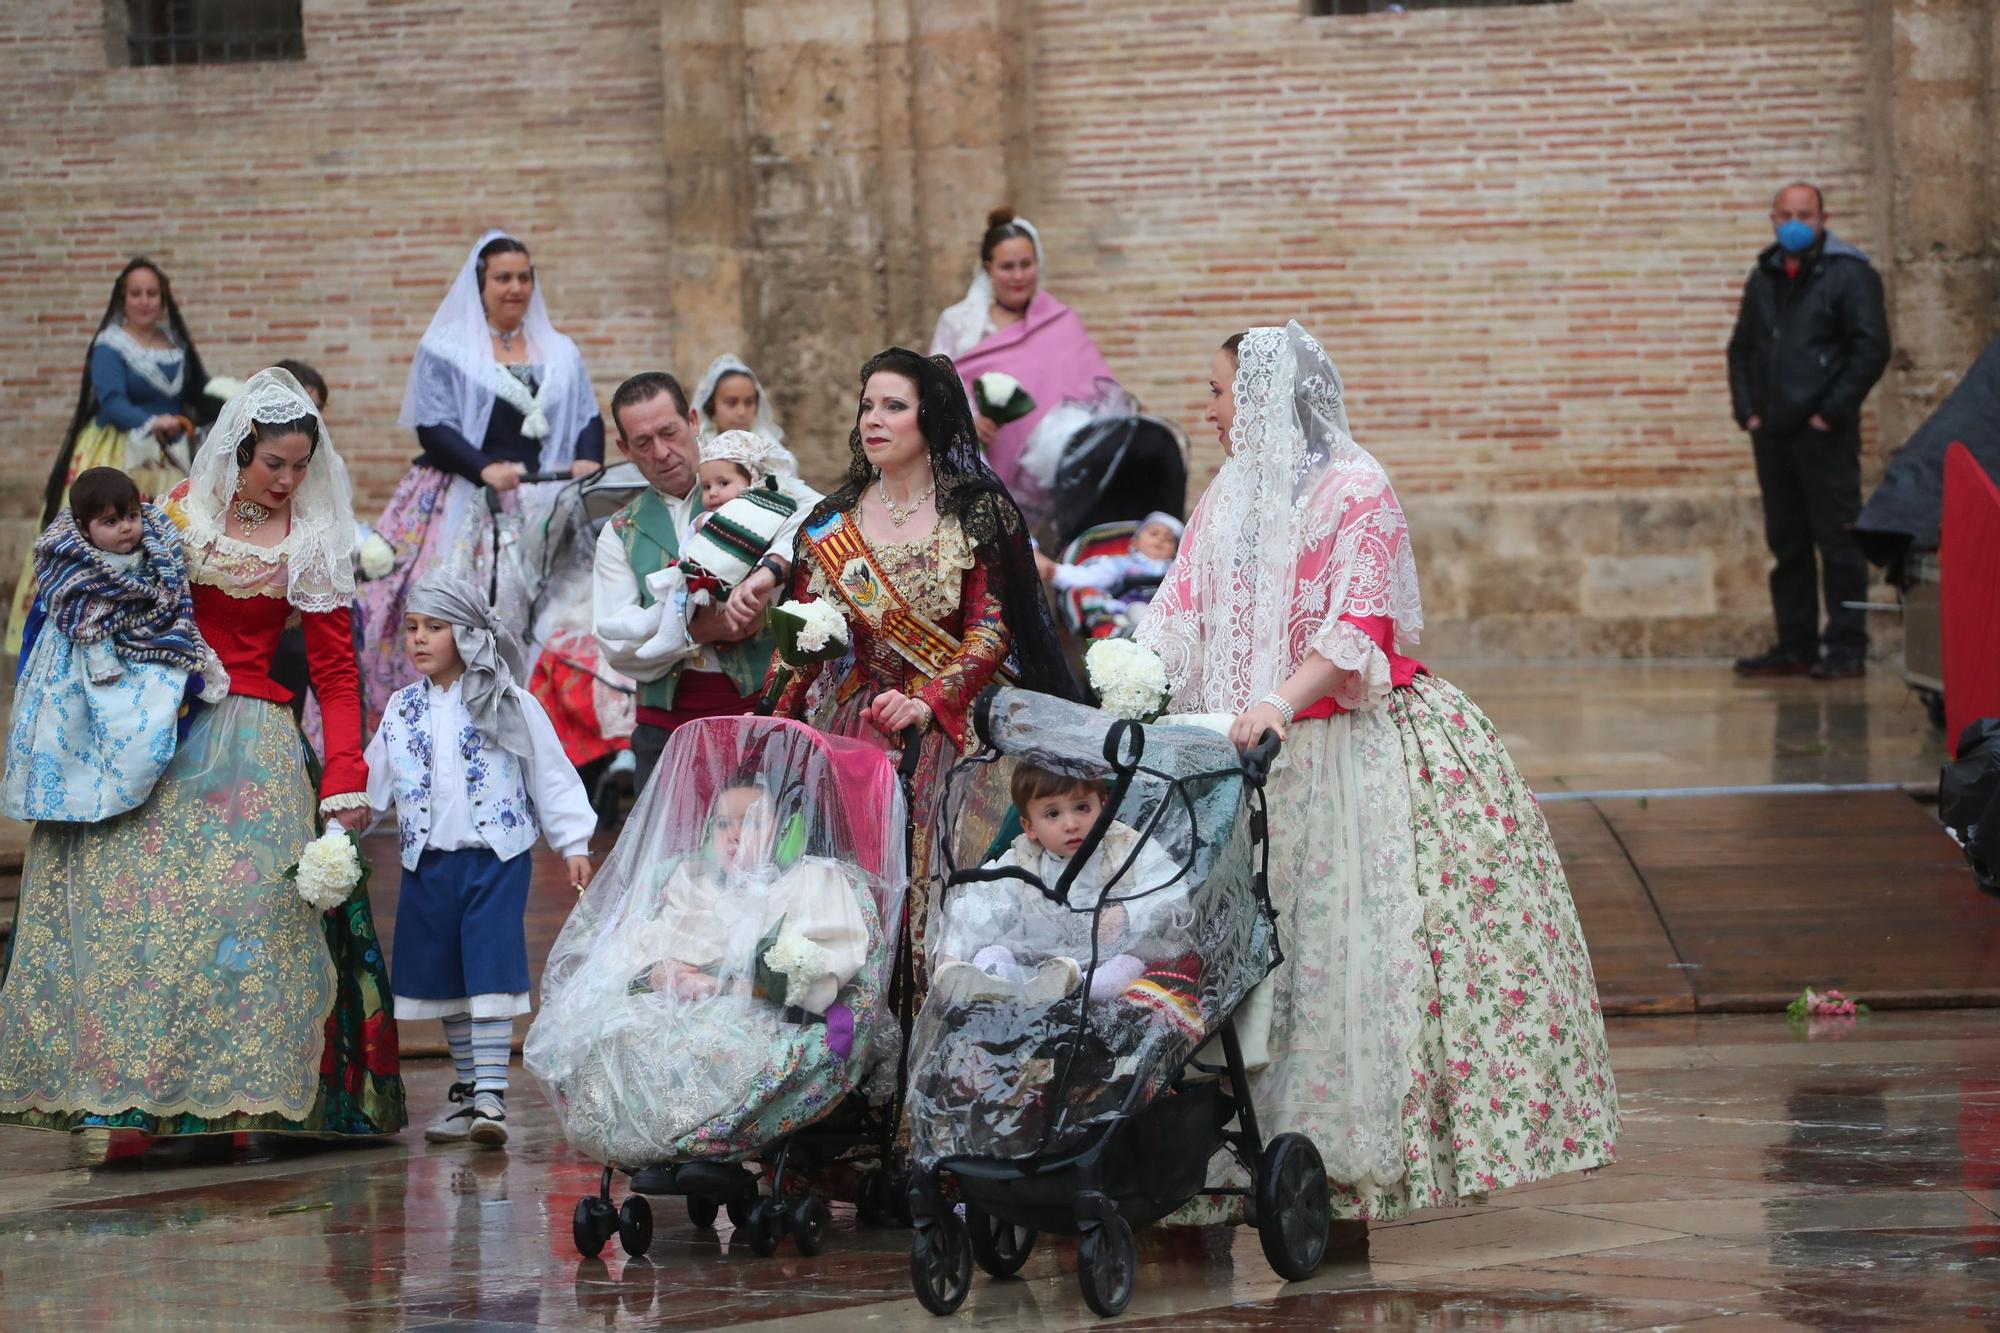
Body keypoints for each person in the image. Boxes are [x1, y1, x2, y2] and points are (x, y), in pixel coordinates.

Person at [1138, 323, 1618, 1237]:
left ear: (1269, 397)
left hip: (1333, 751)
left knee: (1331, 959)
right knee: (1228, 965)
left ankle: (1337, 1176)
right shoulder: (1229, 493)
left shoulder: (1357, 489)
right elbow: (1181, 608)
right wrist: (1133, 674)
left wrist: (1278, 701)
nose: (1206, 409)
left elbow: (1356, 623)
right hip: (1229, 760)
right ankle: (1207, 1162)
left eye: (1219, 391)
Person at [0, 368, 406, 1142]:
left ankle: (239, 1100)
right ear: (240, 450)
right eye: (272, 464)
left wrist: (345, 775)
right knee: (142, 917)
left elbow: (336, 675)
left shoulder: (315, 544)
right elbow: (104, 586)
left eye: (299, 466)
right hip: (163, 728)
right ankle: (130, 1106)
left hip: (253, 742)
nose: (287, 481)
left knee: (244, 917)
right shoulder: (179, 517)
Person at [769, 347, 1079, 996]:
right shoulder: (832, 523)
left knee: (955, 896)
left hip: (959, 724)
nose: (873, 421)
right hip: (863, 726)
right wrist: (772, 718)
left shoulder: (974, 511)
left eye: (893, 407)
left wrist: (929, 700)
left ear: (930, 417)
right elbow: (802, 635)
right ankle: (860, 1048)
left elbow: (992, 626)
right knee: (855, 894)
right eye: (866, 406)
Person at [364, 573, 596, 1149]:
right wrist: (339, 829)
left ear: (467, 633)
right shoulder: (401, 709)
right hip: (427, 863)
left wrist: (573, 843)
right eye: (412, 628)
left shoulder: (509, 700)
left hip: (496, 858)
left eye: (434, 628)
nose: (418, 639)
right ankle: (469, 1095)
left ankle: (491, 1095)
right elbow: (372, 783)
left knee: (489, 967)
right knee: (446, 976)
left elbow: (551, 774)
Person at [357, 231, 606, 729]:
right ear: (480, 283)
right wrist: (483, 467)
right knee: (469, 614)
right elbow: (432, 422)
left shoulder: (559, 350)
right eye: (503, 278)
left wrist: (587, 459)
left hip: (546, 502)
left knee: (555, 615)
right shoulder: (447, 348)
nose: (515, 287)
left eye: (523, 277)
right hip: (471, 499)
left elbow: (587, 415)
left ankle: (544, 720)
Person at [594, 375, 802, 795]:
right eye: (643, 442)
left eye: (669, 433)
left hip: (760, 712)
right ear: (624, 450)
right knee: (669, 859)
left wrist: (767, 575)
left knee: (766, 854)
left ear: (692, 421)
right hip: (666, 730)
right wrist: (695, 631)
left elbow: (813, 515)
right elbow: (616, 643)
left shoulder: (746, 483)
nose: (662, 452)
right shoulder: (619, 532)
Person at [7, 258, 218, 655]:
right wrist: (156, 421)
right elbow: (112, 401)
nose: (144, 301)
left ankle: (159, 623)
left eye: (151, 293)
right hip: (117, 453)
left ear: (163, 298)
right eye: (135, 293)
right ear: (123, 299)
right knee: (104, 533)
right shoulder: (110, 345)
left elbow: (197, 395)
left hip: (168, 455)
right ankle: (82, 622)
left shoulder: (176, 346)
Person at [1727, 182, 1892, 680]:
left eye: (1806, 213)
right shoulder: (1764, 275)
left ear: (1824, 217)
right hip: (1773, 432)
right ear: (1773, 218)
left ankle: (1845, 648)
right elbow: (1741, 350)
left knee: (1838, 542)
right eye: (1786, 214)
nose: (1796, 222)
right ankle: (1795, 646)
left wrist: (1830, 413)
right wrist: (1749, 413)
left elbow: (1871, 349)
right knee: (1788, 543)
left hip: (1825, 433)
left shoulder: (1849, 274)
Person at [2, 468, 227, 823]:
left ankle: (127, 793)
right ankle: (71, 801)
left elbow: (169, 594)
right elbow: (77, 612)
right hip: (77, 662)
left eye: (132, 516)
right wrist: (100, 646)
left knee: (138, 730)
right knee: (74, 733)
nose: (126, 527)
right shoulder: (73, 568)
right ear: (83, 527)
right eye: (110, 521)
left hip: (141, 654)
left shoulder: (156, 552)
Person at [933, 765, 1183, 1004]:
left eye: (1082, 807)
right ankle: (998, 987)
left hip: (1103, 963)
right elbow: (977, 907)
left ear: (1105, 808)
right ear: (1030, 827)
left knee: (1127, 966)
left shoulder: (1125, 848)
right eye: (1053, 814)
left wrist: (1127, 913)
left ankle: (1079, 987)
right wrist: (952, 955)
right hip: (1033, 969)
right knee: (989, 955)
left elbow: (1171, 888)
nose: (1071, 824)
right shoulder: (1022, 862)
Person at [929, 209, 1117, 500]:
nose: (1018, 276)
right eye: (1007, 267)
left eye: (1026, 264)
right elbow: (934, 391)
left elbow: (1101, 392)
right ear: (988, 268)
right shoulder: (958, 325)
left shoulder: (1061, 321)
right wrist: (968, 422)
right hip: (982, 471)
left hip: (1060, 479)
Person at [596, 429, 816, 668]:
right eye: (707, 486)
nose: (713, 493)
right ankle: (647, 622)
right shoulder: (623, 527)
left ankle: (666, 632)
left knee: (685, 586)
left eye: (723, 483)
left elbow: (814, 509)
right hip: (698, 577)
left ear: (752, 480)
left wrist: (769, 569)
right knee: (680, 588)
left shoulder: (767, 510)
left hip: (725, 588)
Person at [1035, 511, 1182, 629]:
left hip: (1173, 616)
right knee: (1139, 610)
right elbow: (1090, 577)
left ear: (1175, 551)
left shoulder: (1179, 570)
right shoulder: (1121, 564)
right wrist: (1054, 571)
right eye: (1154, 533)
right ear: (1135, 543)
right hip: (1132, 614)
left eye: (1169, 539)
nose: (1160, 540)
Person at [691, 353, 786, 445]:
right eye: (731, 403)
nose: (742, 412)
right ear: (711, 405)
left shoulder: (770, 450)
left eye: (749, 403)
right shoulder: (698, 448)